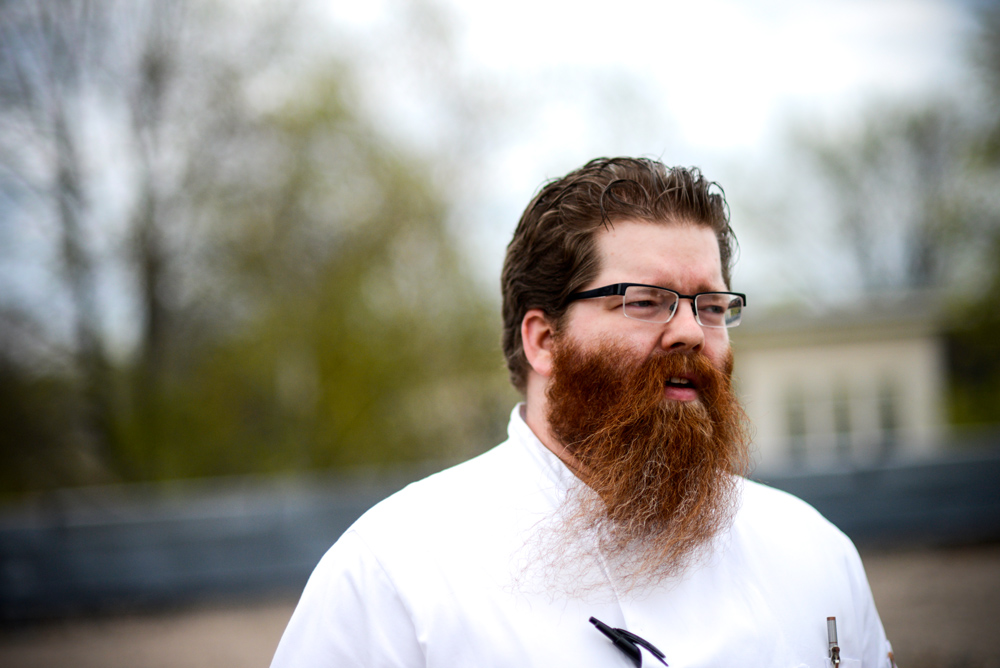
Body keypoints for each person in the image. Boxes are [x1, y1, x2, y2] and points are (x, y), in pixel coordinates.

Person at [270, 157, 895, 667]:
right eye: (645, 301)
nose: (691, 333)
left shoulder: (812, 551)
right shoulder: (396, 572)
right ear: (543, 341)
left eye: (710, 306)